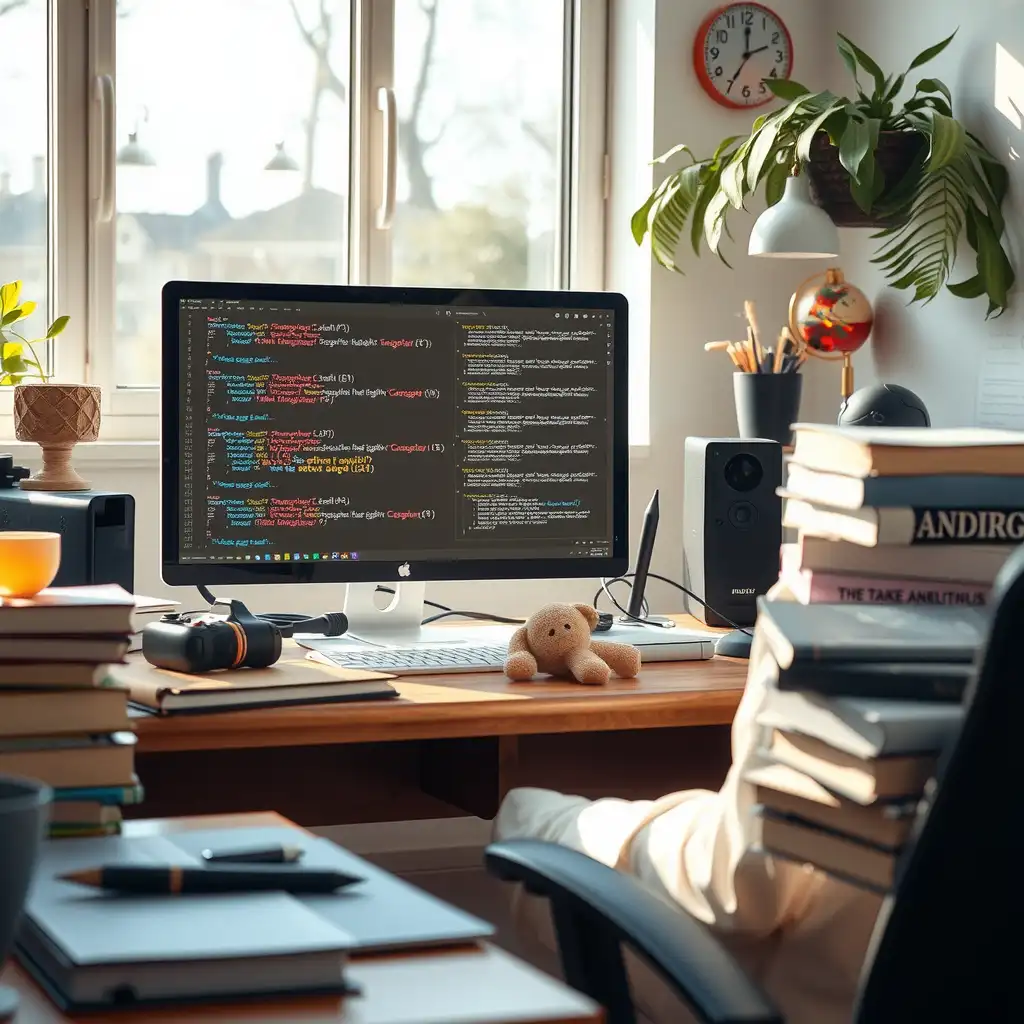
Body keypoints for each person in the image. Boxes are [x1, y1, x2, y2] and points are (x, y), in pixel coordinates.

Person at [493, 625, 883, 1024]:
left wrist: (570, 827)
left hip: (811, 1004)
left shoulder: (825, 619)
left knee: (531, 824)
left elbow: (739, 887)